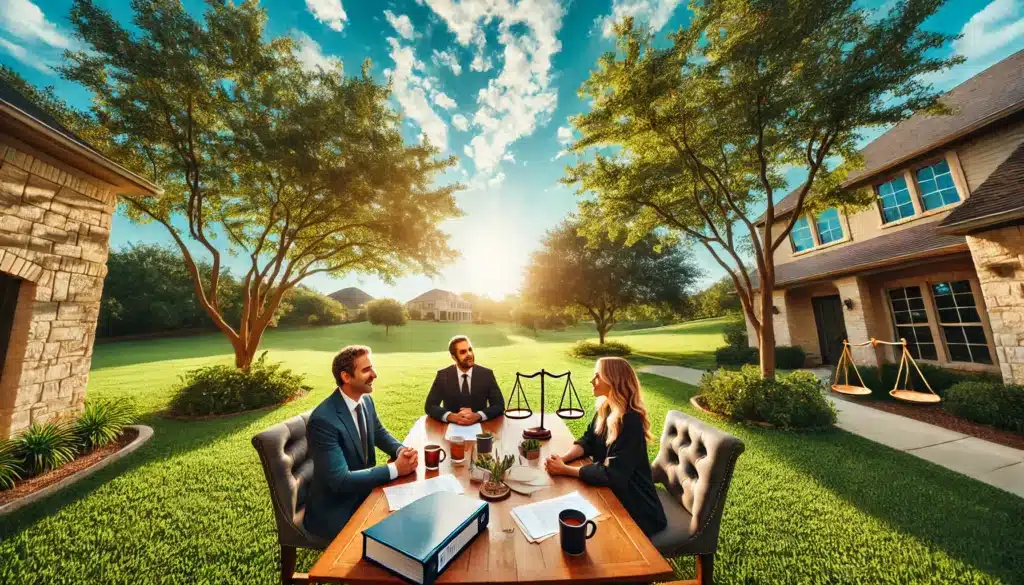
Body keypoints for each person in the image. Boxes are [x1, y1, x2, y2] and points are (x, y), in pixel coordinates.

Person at [544, 357, 667, 537]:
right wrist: (564, 459)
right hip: (612, 493)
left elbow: (613, 475)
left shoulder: (630, 421)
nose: (592, 381)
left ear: (613, 380)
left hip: (636, 507)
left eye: (598, 376)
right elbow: (588, 440)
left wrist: (565, 470)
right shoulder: (606, 407)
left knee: (586, 533)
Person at [305, 345, 418, 540]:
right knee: (396, 537)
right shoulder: (323, 421)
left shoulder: (365, 401)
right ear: (346, 377)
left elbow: (379, 433)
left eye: (372, 368)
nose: (374, 374)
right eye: (366, 370)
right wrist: (396, 470)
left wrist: (401, 450)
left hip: (365, 491)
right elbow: (340, 481)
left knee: (413, 517)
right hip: (337, 508)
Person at [424, 335, 505, 425]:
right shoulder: (443, 375)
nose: (469, 354)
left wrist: (478, 415)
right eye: (463, 352)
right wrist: (451, 416)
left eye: (470, 349)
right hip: (451, 428)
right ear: (454, 357)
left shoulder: (486, 374)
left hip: (480, 427)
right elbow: (430, 406)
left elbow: (499, 405)